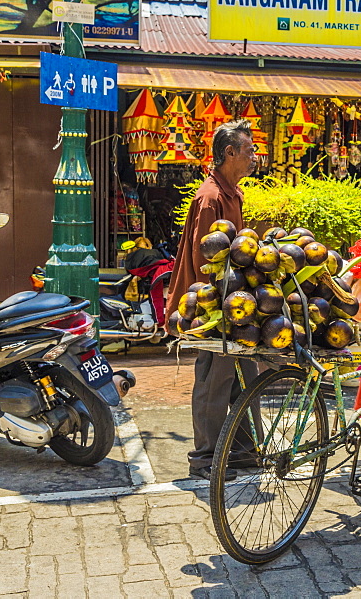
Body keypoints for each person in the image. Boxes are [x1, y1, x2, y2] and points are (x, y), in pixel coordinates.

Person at [165, 119, 257, 481]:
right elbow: (208, 260)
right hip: (212, 304)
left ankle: (245, 452)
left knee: (245, 376)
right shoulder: (211, 197)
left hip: (236, 303)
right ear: (230, 153)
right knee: (214, 380)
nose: (253, 157)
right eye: (248, 151)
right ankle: (204, 459)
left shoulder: (232, 193)